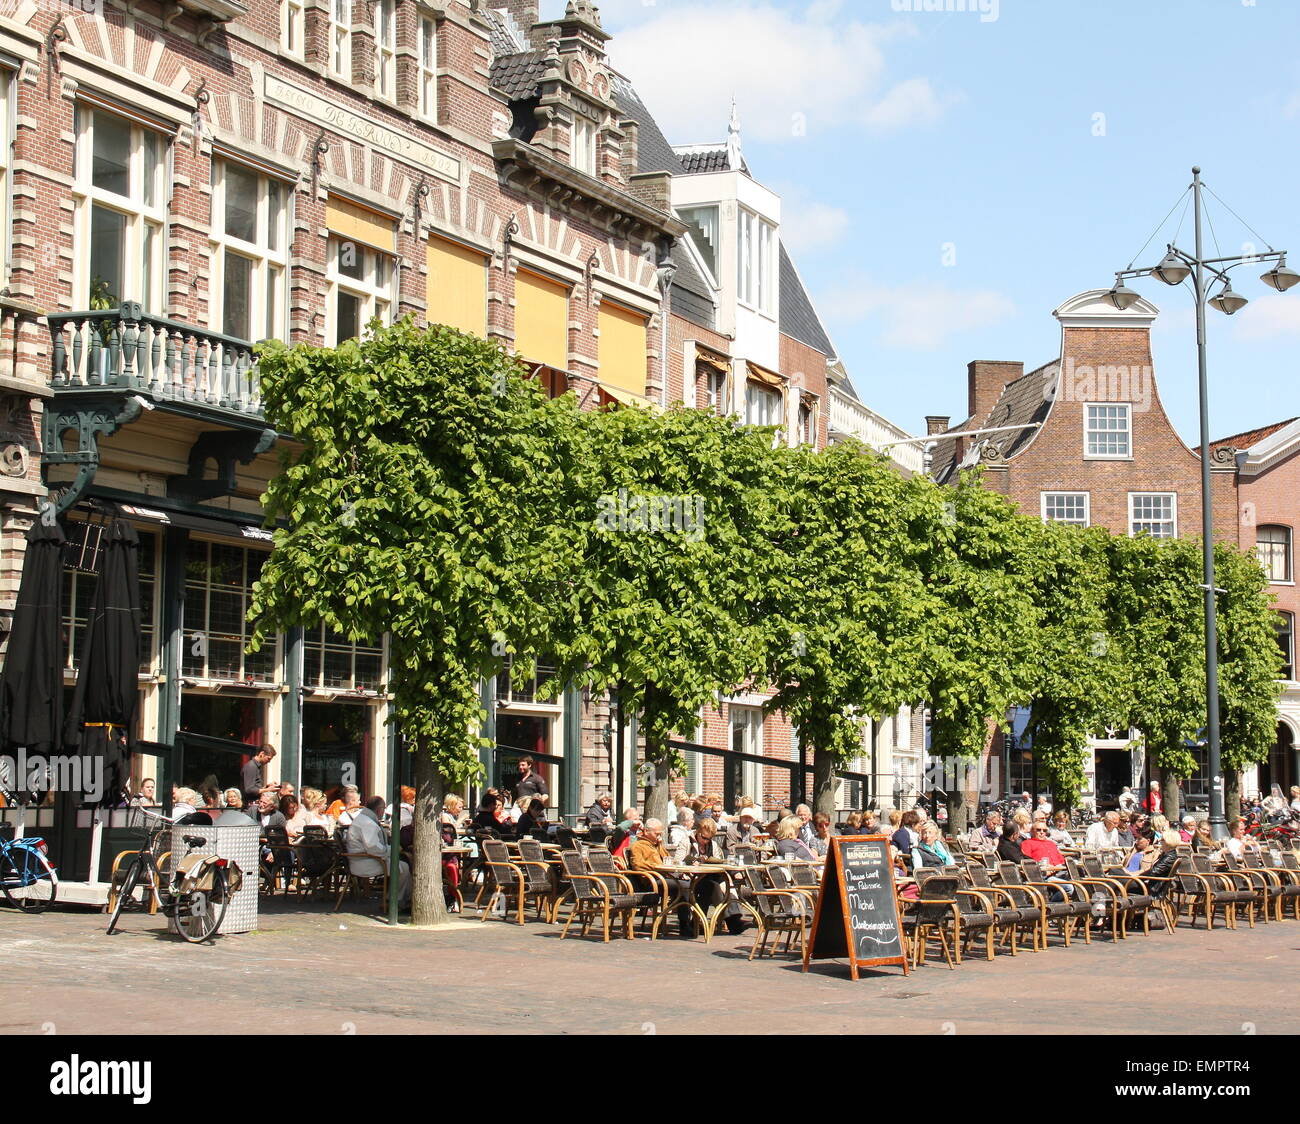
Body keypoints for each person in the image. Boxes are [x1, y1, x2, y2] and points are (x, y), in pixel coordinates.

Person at [629, 819, 693, 936]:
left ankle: (692, 920)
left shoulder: (657, 845)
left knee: (691, 883)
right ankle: (684, 924)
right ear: (646, 832)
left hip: (664, 877)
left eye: (660, 834)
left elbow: (667, 859)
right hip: (651, 881)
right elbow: (637, 865)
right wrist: (657, 867)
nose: (659, 836)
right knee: (684, 886)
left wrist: (659, 846)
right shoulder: (638, 846)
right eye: (656, 834)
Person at [348, 795, 410, 906]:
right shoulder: (367, 823)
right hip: (365, 862)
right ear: (378, 809)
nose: (384, 811)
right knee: (404, 868)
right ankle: (394, 901)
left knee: (402, 864)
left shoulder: (363, 819)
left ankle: (396, 898)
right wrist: (394, 849)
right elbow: (373, 848)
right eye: (383, 808)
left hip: (362, 860)